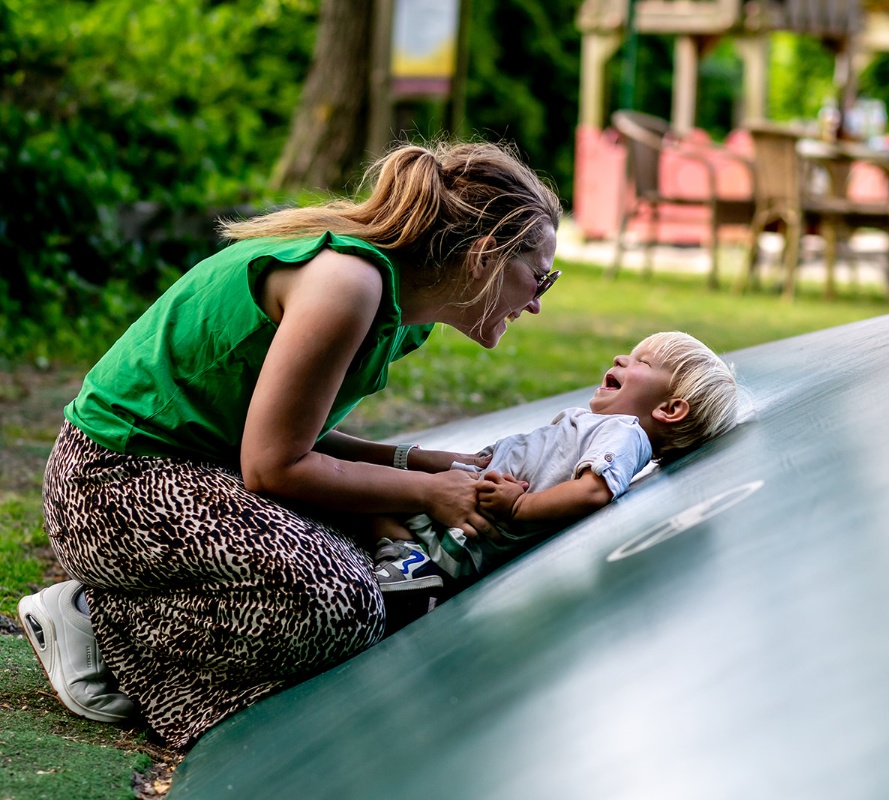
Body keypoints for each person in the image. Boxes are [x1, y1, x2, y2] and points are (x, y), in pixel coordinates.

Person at [17, 141, 562, 748]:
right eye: (541, 276)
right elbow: (274, 465)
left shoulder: (399, 310)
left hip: (197, 473)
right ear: (487, 255)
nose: (537, 302)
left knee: (383, 552)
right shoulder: (346, 282)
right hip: (110, 484)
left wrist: (416, 463)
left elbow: (287, 428)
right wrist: (432, 491)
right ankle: (99, 625)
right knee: (340, 604)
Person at [370, 331, 742, 589]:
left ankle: (413, 570)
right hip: (464, 496)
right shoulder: (603, 427)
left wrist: (520, 505)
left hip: (468, 530)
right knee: (376, 492)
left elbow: (594, 491)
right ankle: (405, 561)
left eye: (642, 361)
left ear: (670, 408)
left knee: (373, 500)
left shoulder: (626, 433)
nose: (620, 358)